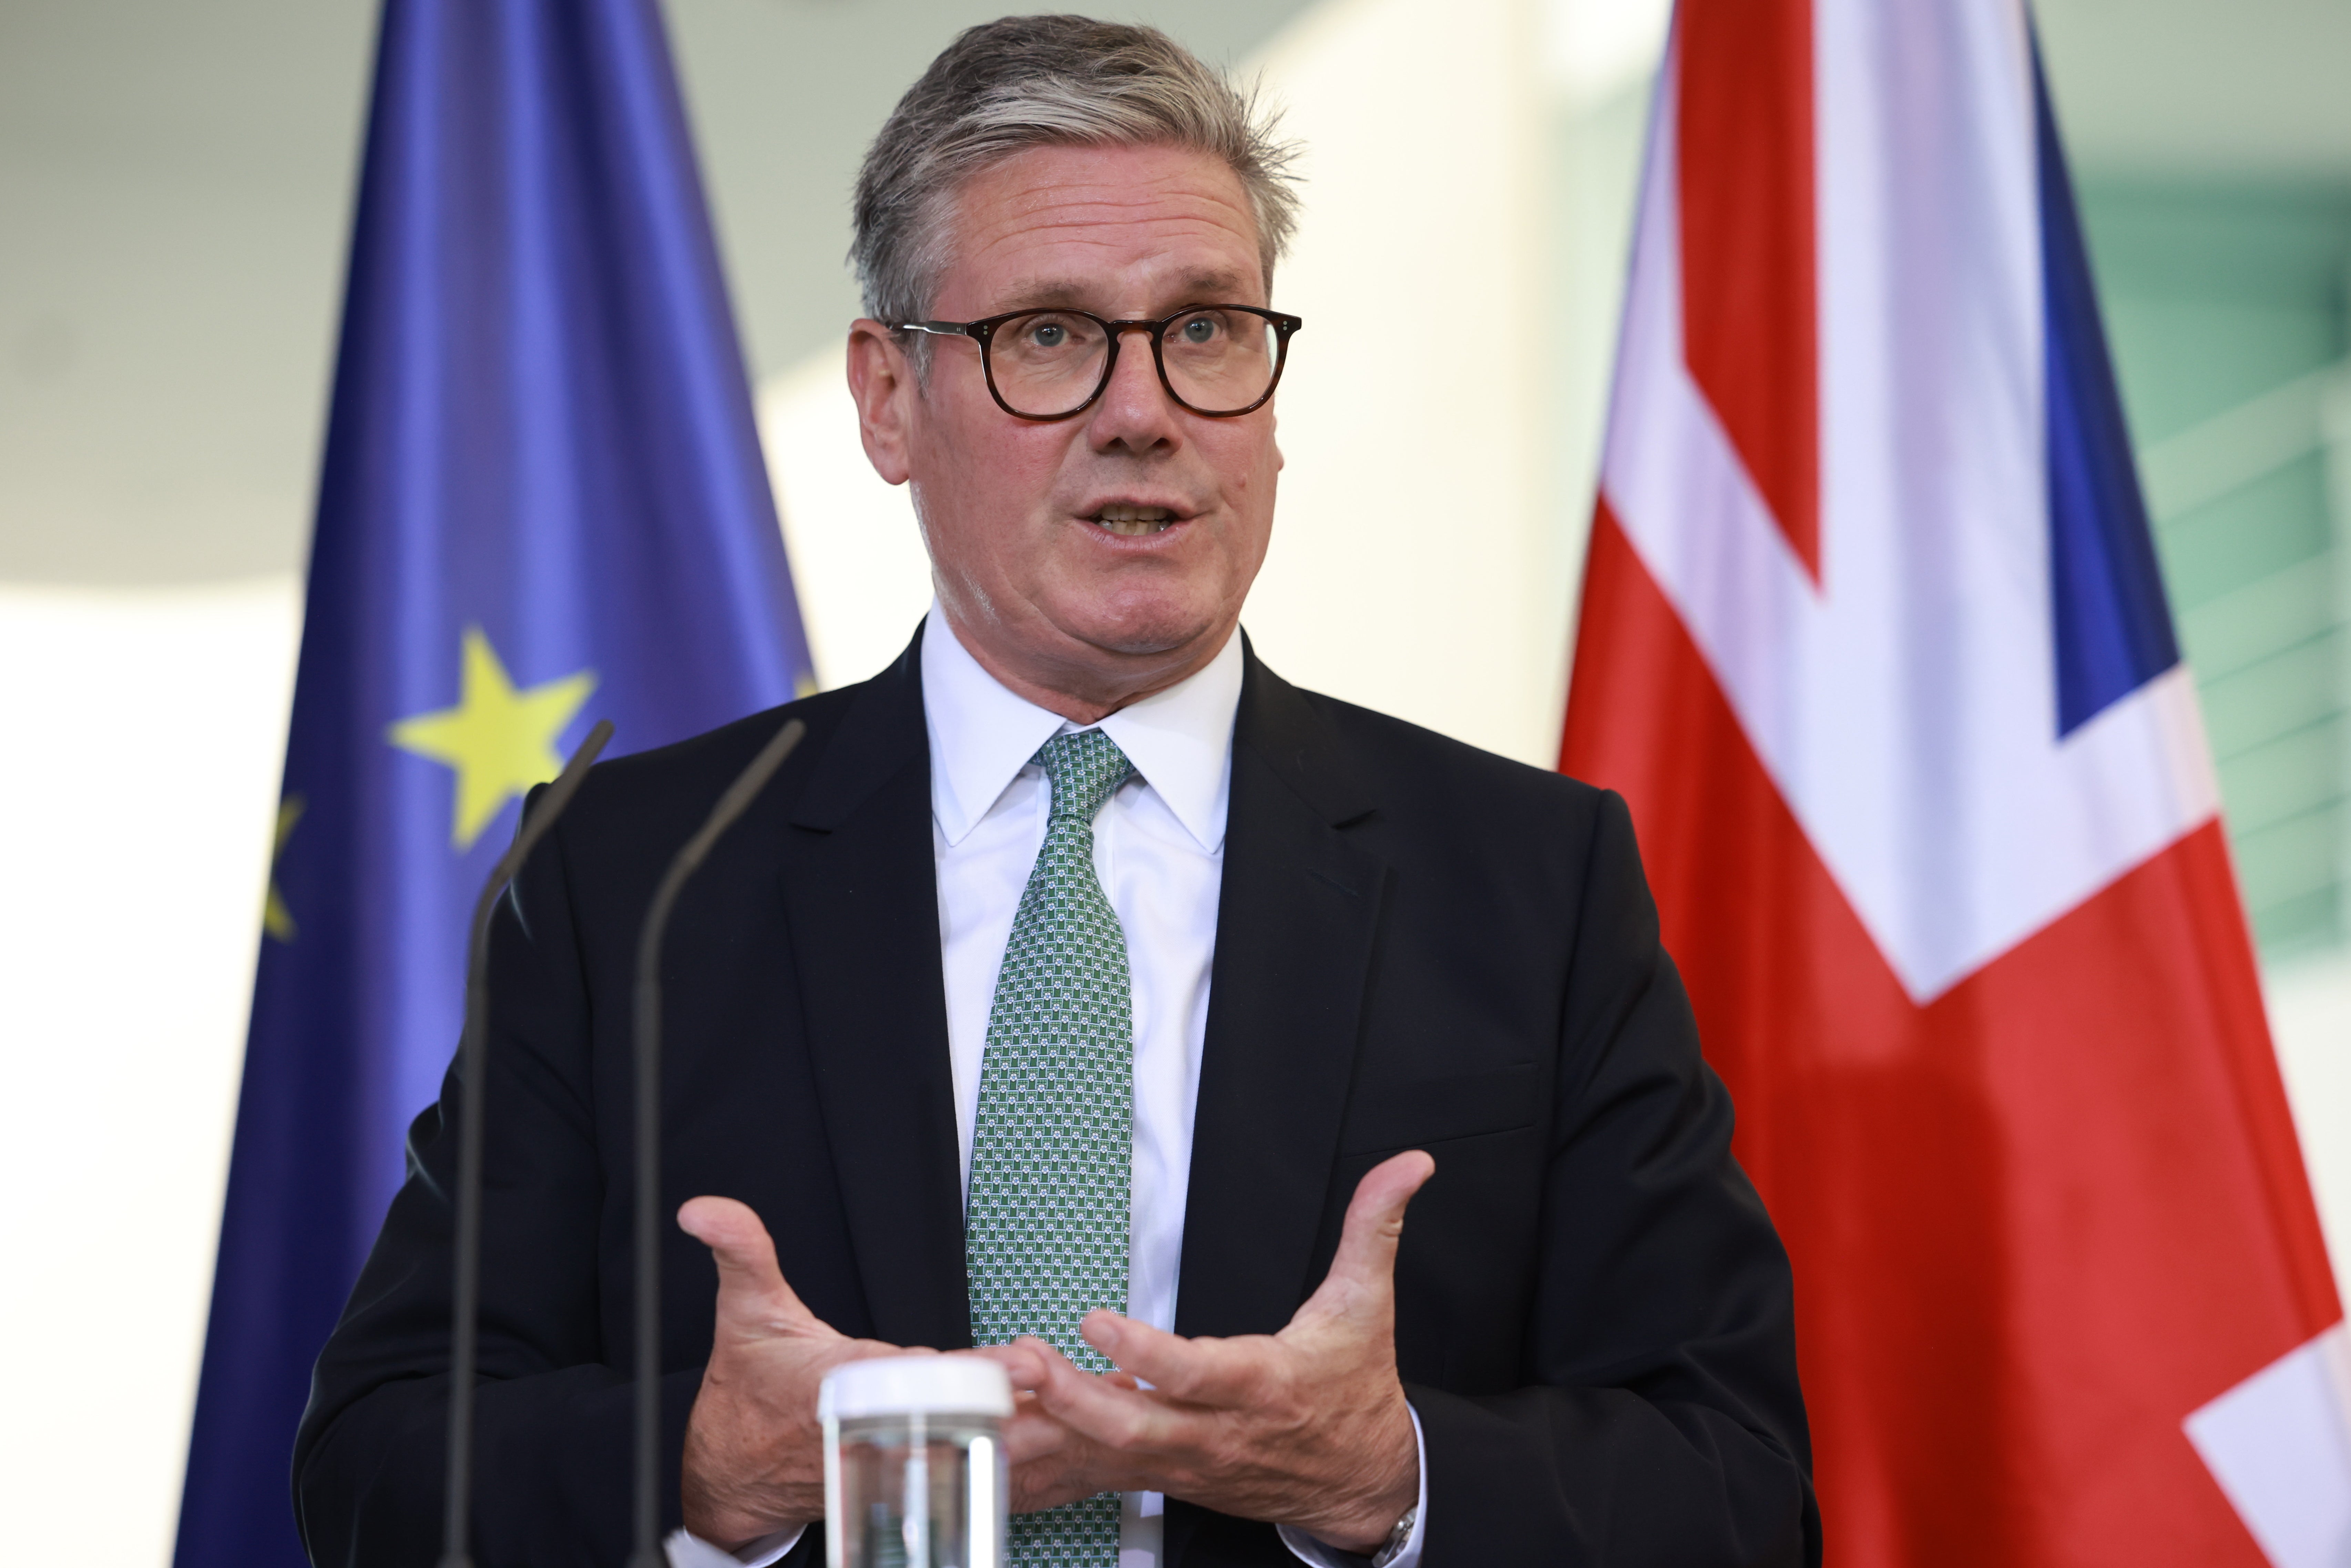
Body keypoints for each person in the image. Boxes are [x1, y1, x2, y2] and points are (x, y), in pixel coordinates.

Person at [294, 16, 1818, 1567]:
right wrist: (706, 1463)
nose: (1143, 408)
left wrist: (1390, 1477)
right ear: (887, 401)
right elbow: (378, 1466)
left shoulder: (1525, 880)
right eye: (1048, 335)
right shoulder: (632, 876)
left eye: (1207, 327)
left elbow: (1739, 1485)